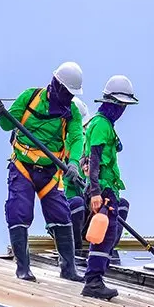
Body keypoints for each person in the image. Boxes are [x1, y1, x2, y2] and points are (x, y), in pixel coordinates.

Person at [0, 62, 86, 283]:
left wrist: (73, 163)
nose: (69, 98)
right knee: (19, 211)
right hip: (22, 166)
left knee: (61, 215)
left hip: (50, 172)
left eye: (72, 94)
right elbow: (7, 124)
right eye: (67, 92)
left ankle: (68, 269)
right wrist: (0, 114)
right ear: (56, 85)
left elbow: (76, 138)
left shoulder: (71, 112)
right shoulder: (29, 97)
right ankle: (23, 268)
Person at [81, 75, 139, 299]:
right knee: (103, 235)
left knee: (108, 234)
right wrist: (96, 192)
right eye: (121, 105)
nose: (122, 110)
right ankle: (93, 281)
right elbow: (94, 159)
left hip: (107, 188)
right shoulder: (101, 125)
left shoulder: (103, 125)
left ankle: (96, 279)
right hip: (103, 189)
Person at [65, 98, 92, 260]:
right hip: (65, 211)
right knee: (76, 203)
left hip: (86, 211)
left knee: (115, 205)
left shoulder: (88, 145)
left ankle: (105, 251)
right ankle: (76, 252)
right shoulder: (60, 143)